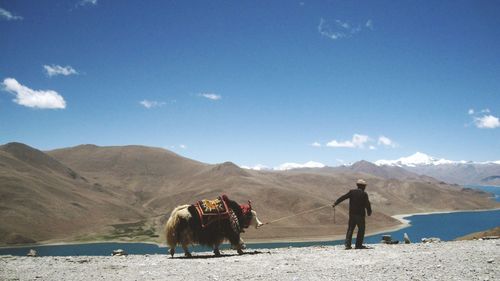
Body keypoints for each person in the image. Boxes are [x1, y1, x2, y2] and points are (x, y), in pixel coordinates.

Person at [332, 179, 372, 250]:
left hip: (352, 214)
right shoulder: (364, 194)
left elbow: (343, 197)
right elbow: (367, 204)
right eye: (365, 186)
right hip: (360, 215)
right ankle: (358, 245)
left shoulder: (352, 192)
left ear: (357, 185)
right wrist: (369, 212)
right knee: (361, 230)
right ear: (363, 186)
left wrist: (335, 203)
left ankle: (348, 245)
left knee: (350, 229)